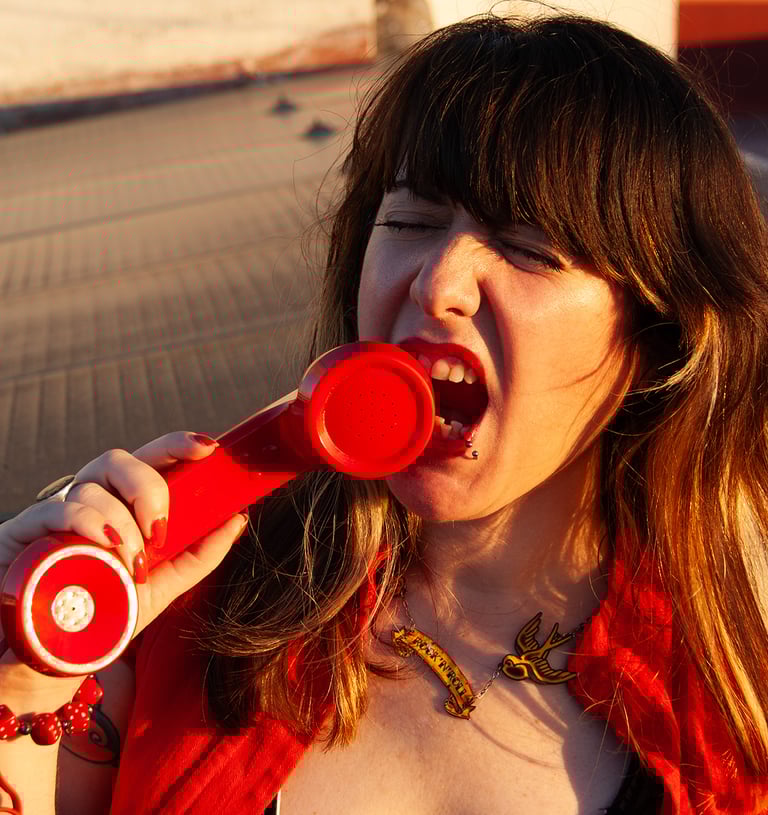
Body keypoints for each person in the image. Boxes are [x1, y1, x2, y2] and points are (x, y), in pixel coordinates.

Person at [1, 12, 768, 815]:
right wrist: (25, 676)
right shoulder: (178, 615)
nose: (437, 282)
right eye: (410, 222)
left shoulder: (737, 700)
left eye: (530, 245)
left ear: (658, 333)